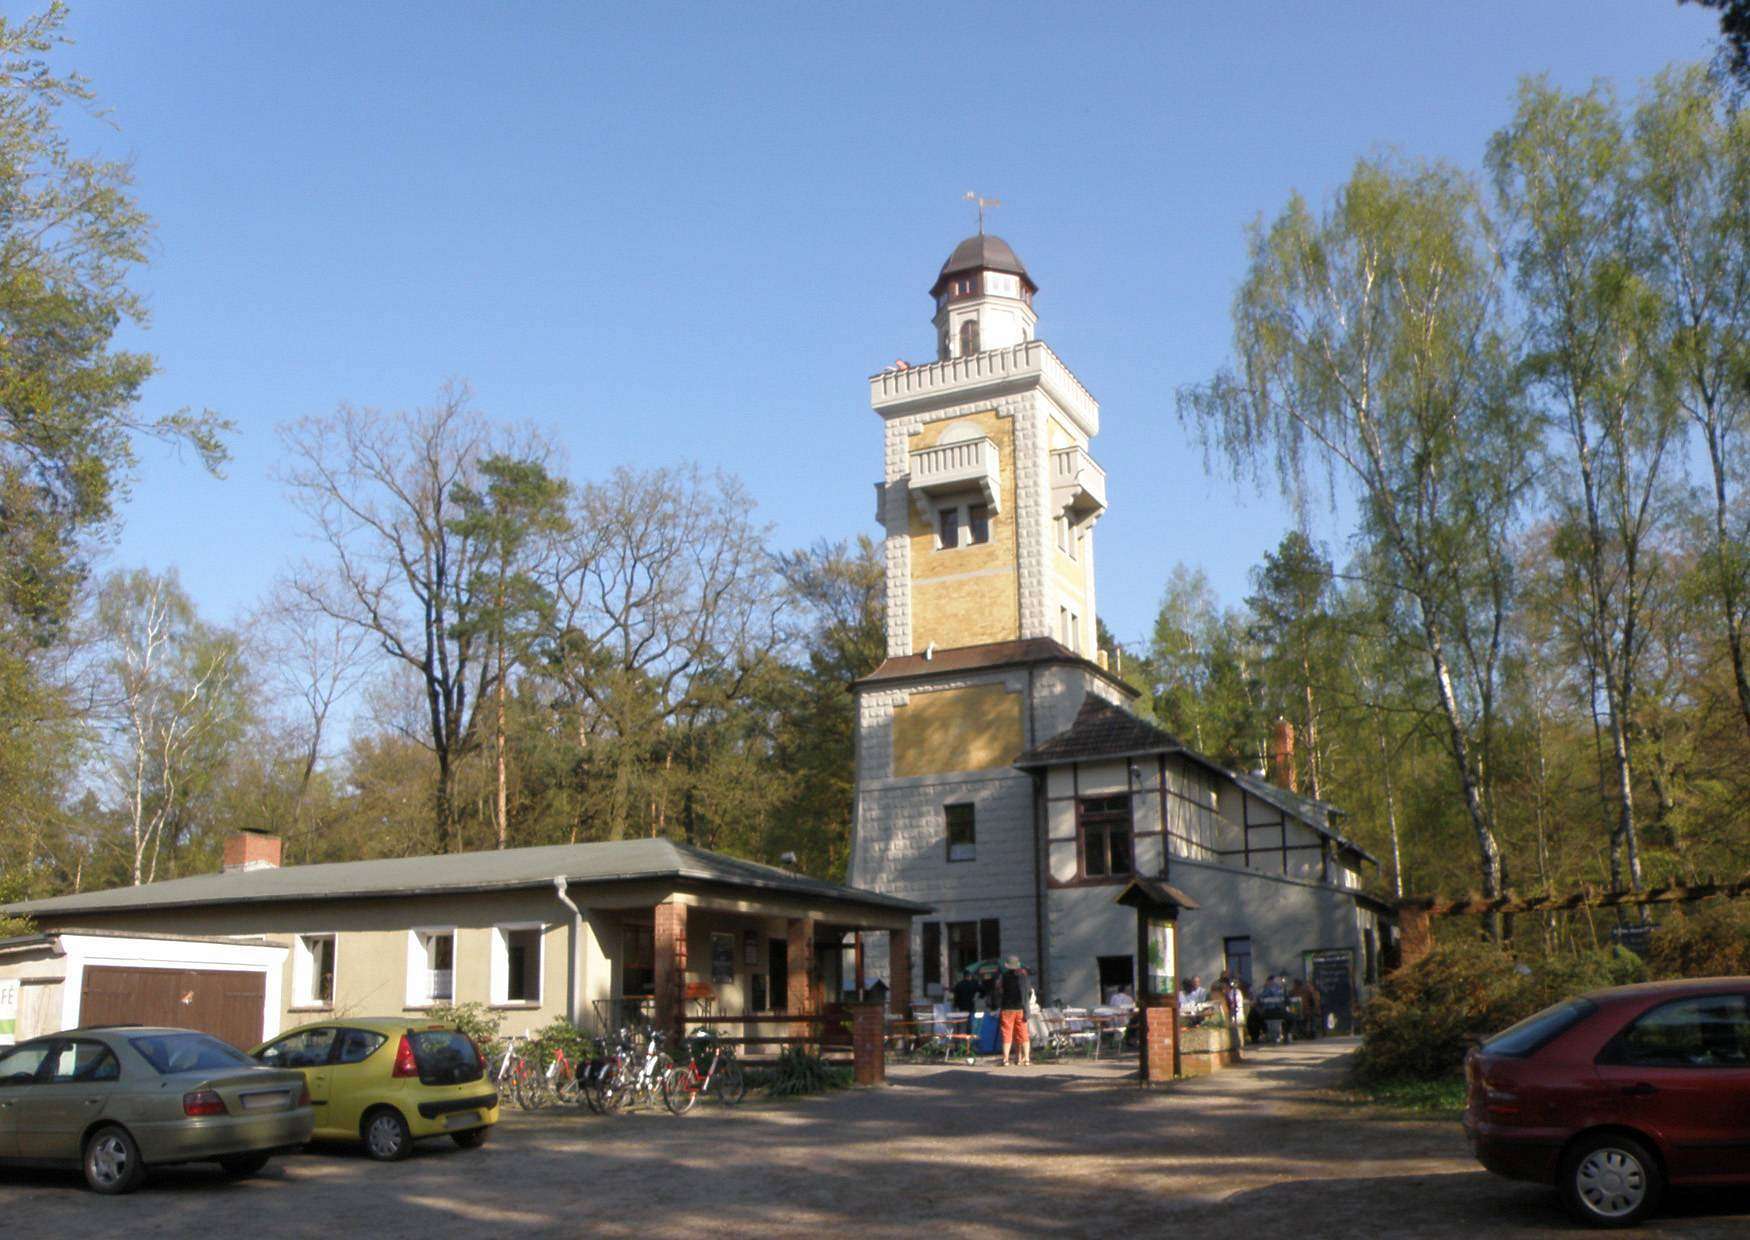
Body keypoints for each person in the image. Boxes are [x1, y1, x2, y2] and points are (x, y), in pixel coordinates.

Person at [996, 954, 1032, 1066]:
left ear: (1007, 966)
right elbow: (1029, 992)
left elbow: (999, 989)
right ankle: (1026, 1059)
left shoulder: (1004, 976)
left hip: (1007, 1008)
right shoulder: (1023, 977)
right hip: (1020, 1008)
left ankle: (1006, 1059)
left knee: (1007, 1033)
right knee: (1023, 1033)